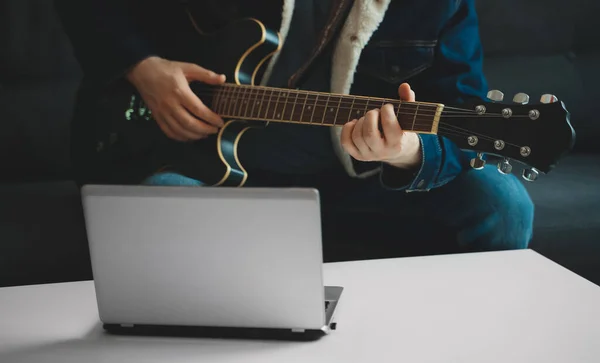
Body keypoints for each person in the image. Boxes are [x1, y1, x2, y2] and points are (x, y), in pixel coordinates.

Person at [54, 0, 534, 252]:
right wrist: (141, 65)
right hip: (217, 174)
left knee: (502, 202)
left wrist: (405, 151)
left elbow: (461, 111)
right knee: (158, 207)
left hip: (363, 183)